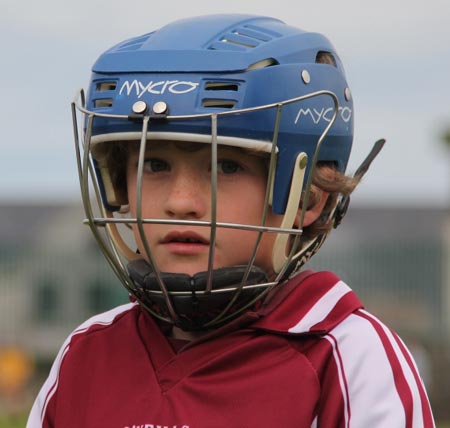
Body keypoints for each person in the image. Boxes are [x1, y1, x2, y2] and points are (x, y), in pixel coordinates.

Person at [28, 14, 435, 427]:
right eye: (154, 164)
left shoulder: (349, 357)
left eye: (225, 166)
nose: (180, 202)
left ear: (308, 197)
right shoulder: (86, 352)